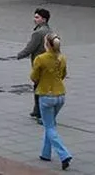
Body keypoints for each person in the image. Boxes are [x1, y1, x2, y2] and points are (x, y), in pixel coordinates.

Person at [31, 33, 72, 170]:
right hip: (60, 95)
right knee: (50, 123)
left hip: (46, 95)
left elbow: (34, 77)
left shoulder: (40, 59)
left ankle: (64, 154)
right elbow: (63, 75)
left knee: (49, 127)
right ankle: (45, 153)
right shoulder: (62, 58)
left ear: (47, 44)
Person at [17, 8, 53, 122]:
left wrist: (20, 55)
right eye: (35, 17)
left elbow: (30, 47)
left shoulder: (38, 33)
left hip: (39, 64)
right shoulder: (50, 31)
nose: (34, 19)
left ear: (44, 19)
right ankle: (37, 110)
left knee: (39, 89)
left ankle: (41, 113)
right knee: (41, 87)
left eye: (37, 17)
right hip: (49, 62)